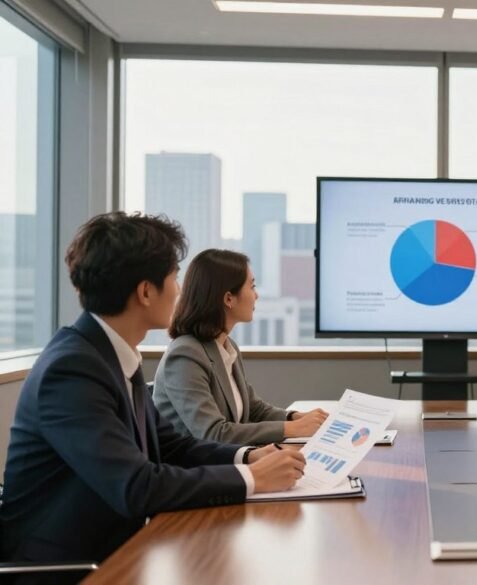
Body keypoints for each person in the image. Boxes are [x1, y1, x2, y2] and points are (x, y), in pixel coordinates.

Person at [0, 212, 306, 567]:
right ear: (146, 291)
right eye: (174, 277)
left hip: (119, 549)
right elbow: (136, 486)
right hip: (66, 568)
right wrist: (251, 478)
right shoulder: (72, 370)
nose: (179, 290)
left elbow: (173, 445)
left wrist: (248, 457)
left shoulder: (110, 353)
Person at [153, 249, 328, 444]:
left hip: (226, 460)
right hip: (194, 469)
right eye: (252, 287)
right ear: (228, 299)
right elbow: (214, 433)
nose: (257, 295)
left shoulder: (225, 346)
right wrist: (291, 429)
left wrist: (296, 417)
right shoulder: (185, 355)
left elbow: (254, 408)